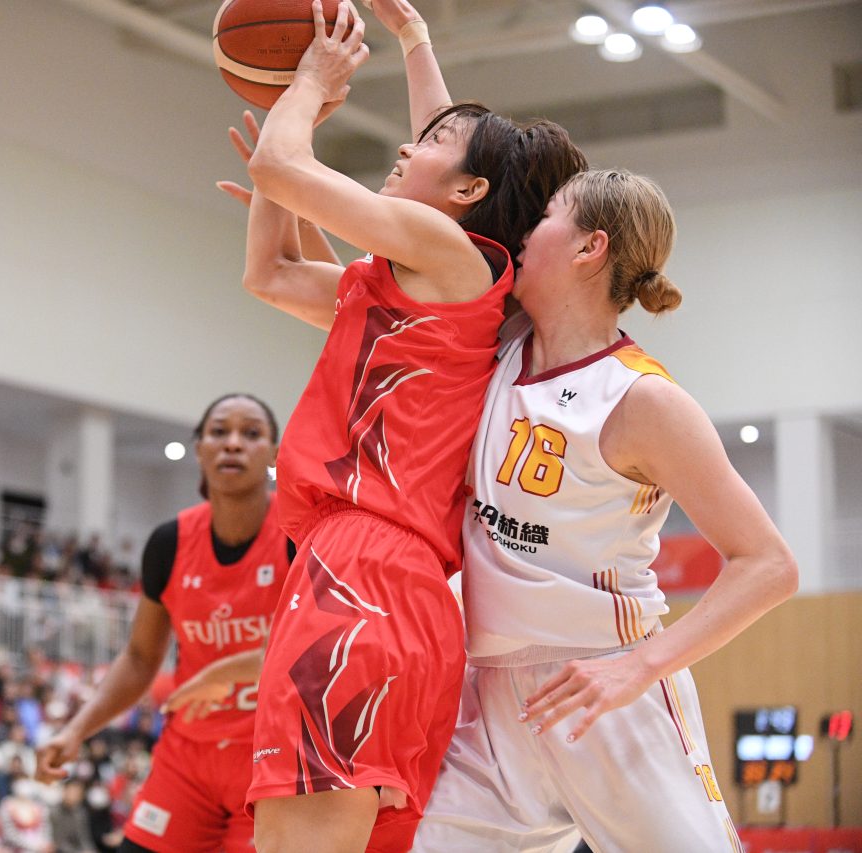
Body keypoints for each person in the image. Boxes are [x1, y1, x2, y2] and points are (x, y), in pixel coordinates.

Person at [233, 2, 585, 851]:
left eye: (430, 143)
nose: (404, 145)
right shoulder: (411, 287)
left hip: (362, 575)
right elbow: (269, 272)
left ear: (467, 192)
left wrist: (306, 89)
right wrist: (409, 44)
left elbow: (285, 163)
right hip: (389, 585)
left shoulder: (449, 253)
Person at [411, 170, 799, 851]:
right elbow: (458, 162)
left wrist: (643, 665)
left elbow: (769, 564)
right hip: (491, 696)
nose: (524, 230)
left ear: (591, 247)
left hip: (605, 685)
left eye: (547, 215)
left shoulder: (642, 398)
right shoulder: (498, 346)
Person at [35, 394, 294, 853]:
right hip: (188, 758)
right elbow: (140, 657)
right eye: (219, 432)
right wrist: (75, 730)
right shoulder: (169, 542)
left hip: (273, 755)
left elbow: (307, 652)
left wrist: (223, 673)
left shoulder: (299, 534)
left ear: (275, 453)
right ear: (199, 450)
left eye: (251, 433)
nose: (233, 444)